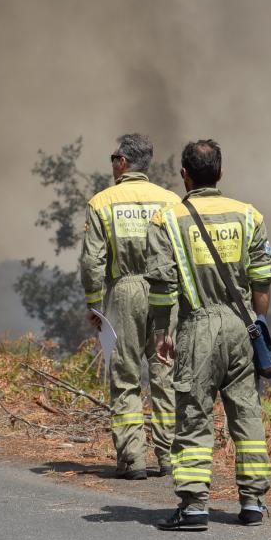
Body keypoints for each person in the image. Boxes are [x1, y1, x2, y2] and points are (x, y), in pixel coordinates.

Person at [144, 139, 271, 530]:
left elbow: (164, 286)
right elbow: (262, 280)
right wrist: (259, 327)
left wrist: (161, 333)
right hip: (241, 325)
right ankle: (252, 503)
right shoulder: (249, 216)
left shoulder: (167, 220)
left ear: (184, 175)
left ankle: (195, 506)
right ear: (220, 173)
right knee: (247, 413)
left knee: (194, 414)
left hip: (197, 326)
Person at [80, 133, 181, 480]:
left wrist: (95, 304)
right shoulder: (170, 201)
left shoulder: (102, 202)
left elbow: (92, 261)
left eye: (113, 159)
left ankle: (132, 459)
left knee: (125, 378)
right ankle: (169, 457)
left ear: (122, 162)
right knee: (165, 373)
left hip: (125, 291)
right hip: (166, 292)